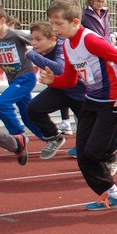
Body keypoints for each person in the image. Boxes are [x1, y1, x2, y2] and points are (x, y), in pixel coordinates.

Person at [40, 0, 117, 210]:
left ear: (74, 22)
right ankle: (113, 195)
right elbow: (71, 79)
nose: (53, 29)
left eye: (58, 24)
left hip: (111, 101)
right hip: (90, 101)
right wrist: (54, 80)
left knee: (94, 152)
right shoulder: (67, 46)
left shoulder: (90, 40)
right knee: (83, 156)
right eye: (51, 23)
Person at [25, 21, 86, 160]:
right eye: (32, 39)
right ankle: (54, 137)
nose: (33, 43)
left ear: (52, 39)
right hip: (60, 90)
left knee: (90, 135)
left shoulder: (61, 47)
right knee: (33, 109)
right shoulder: (42, 50)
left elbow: (60, 69)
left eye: (38, 39)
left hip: (80, 95)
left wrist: (33, 56)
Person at [0, 5, 44, 148]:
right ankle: (51, 137)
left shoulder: (15, 35)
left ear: (2, 20)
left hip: (25, 77)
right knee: (27, 114)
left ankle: (18, 135)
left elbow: (40, 41)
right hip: (12, 80)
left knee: (1, 104)